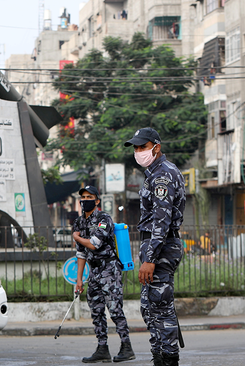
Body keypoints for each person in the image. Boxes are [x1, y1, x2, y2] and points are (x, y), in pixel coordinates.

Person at [125, 128, 185, 366]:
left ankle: (169, 359)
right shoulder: (154, 173)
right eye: (136, 148)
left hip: (161, 246)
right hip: (155, 245)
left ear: (156, 147)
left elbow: (162, 220)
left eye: (143, 147)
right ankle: (159, 355)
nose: (138, 152)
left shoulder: (162, 175)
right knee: (149, 306)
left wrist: (150, 258)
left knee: (160, 305)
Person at [72, 185, 134, 363]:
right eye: (83, 197)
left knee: (114, 308)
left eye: (89, 197)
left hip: (109, 268)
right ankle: (102, 348)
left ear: (97, 200)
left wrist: (76, 237)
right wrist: (79, 280)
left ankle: (126, 346)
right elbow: (82, 253)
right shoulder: (79, 222)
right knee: (96, 309)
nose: (85, 200)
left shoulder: (104, 218)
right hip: (94, 270)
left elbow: (94, 243)